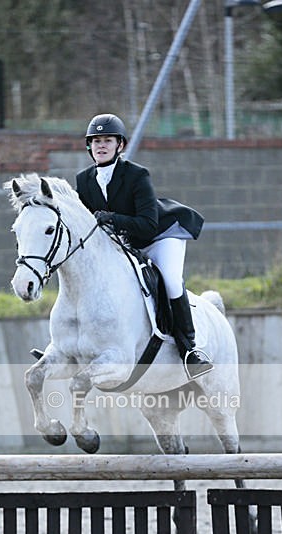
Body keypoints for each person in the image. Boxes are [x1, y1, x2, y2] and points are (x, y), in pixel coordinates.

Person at [76, 113, 213, 379]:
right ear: (89, 146)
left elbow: (148, 225)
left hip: (160, 237)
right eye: (96, 141)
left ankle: (190, 350)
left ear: (120, 146)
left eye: (107, 140)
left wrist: (112, 218)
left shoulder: (137, 175)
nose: (101, 146)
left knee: (171, 280)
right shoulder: (83, 180)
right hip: (125, 244)